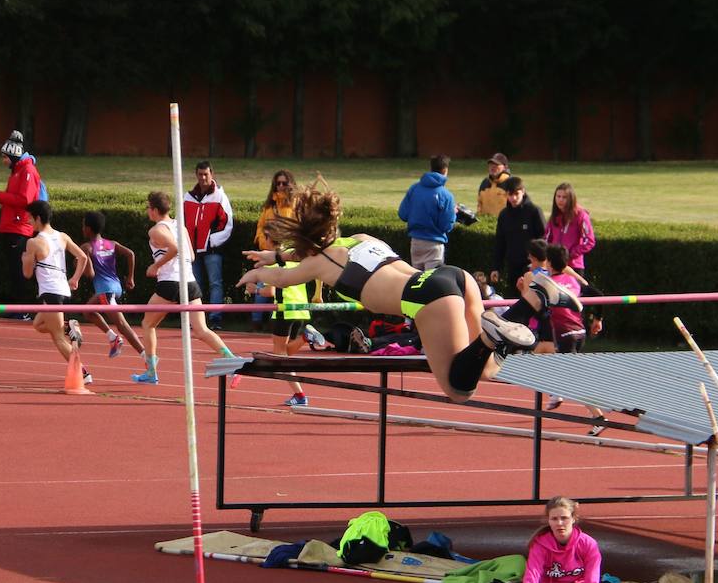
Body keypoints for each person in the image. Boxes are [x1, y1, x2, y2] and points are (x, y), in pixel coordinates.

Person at [238, 184, 581, 404]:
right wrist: (278, 255)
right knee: (487, 369)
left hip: (426, 297)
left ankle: (493, 336)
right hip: (453, 277)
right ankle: (534, 298)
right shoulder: (360, 239)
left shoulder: (318, 264)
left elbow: (283, 278)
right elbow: (304, 255)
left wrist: (256, 272)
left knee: (458, 389)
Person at [132, 191, 238, 385]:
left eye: (148, 207)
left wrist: (156, 266)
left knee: (148, 324)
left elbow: (175, 249)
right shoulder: (181, 227)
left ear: (155, 210)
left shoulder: (156, 230)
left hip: (170, 283)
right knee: (201, 330)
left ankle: (151, 371)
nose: (147, 211)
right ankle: (231, 359)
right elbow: (192, 255)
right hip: (190, 282)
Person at [504, 496, 613, 583]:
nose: (559, 523)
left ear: (573, 519)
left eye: (564, 518)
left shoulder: (588, 544)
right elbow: (532, 576)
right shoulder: (540, 544)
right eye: (554, 519)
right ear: (548, 521)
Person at [21, 200, 91, 384]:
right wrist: (75, 279)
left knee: (58, 338)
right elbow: (82, 257)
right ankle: (68, 326)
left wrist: (25, 260)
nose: (28, 222)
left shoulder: (33, 242)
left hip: (50, 292)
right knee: (38, 325)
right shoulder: (63, 236)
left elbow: (27, 274)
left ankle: (83, 373)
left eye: (30, 218)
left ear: (38, 218)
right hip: (63, 291)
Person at [545, 245, 608, 435]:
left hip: (565, 334)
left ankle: (599, 417)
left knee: (575, 379)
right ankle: (557, 392)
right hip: (580, 333)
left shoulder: (548, 283)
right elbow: (598, 295)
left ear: (549, 262)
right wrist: (598, 319)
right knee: (559, 364)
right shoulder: (573, 280)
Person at [80, 211, 145, 360]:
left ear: (89, 229)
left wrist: (81, 263)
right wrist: (130, 278)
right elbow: (131, 254)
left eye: (83, 226)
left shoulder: (87, 248)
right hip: (115, 288)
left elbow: (89, 274)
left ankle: (147, 357)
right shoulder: (112, 244)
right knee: (87, 310)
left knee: (122, 324)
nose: (82, 229)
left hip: (105, 291)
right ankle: (112, 337)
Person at [0, 130, 43, 319]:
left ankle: (23, 310)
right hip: (12, 226)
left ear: (13, 156)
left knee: (19, 270)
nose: (3, 160)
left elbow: (25, 199)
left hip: (19, 228)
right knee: (14, 270)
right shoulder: (18, 171)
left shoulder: (27, 171)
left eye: (5, 157)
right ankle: (18, 307)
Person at [248, 257, 312, 406]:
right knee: (286, 355)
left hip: (285, 312)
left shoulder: (276, 265)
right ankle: (305, 337)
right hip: (301, 311)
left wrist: (255, 290)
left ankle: (300, 395)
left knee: (280, 358)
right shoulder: (298, 262)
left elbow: (270, 291)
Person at [183, 160, 232, 330]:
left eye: (206, 174)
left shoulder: (220, 196)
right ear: (196, 175)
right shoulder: (188, 197)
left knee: (215, 284)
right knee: (194, 285)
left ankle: (215, 319)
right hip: (192, 251)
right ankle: (195, 320)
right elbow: (181, 222)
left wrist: (212, 241)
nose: (203, 177)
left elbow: (227, 223)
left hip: (212, 250)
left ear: (212, 175)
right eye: (200, 174)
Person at [250, 170, 297, 332]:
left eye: (285, 183)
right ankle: (256, 322)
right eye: (278, 183)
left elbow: (297, 227)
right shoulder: (269, 205)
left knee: (280, 290)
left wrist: (286, 245)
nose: (281, 186)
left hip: (287, 253)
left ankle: (274, 322)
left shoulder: (295, 205)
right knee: (263, 286)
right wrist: (264, 242)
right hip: (268, 252)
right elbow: (260, 226)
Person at [397, 154, 457, 271]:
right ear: (445, 170)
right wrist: (453, 213)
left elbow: (403, 214)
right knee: (431, 283)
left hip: (415, 243)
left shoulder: (414, 188)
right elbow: (446, 225)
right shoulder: (446, 195)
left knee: (417, 281)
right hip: (434, 244)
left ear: (431, 168)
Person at [490, 176, 545, 295]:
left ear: (523, 192)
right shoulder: (504, 215)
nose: (513, 198)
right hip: (512, 266)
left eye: (516, 194)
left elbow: (543, 239)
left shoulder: (534, 211)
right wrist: (496, 267)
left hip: (532, 267)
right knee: (513, 300)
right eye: (510, 194)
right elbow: (500, 242)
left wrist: (537, 262)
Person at [543, 183, 596, 278]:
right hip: (554, 266)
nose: (560, 200)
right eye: (558, 196)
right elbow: (547, 239)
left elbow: (589, 241)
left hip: (574, 265)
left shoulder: (581, 216)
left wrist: (570, 254)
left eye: (564, 197)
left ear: (571, 199)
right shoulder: (555, 216)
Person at [477, 152, 511, 217]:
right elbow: (479, 205)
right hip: (486, 224)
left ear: (505, 167)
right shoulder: (485, 182)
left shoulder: (511, 183)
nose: (493, 167)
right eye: (491, 164)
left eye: (496, 165)